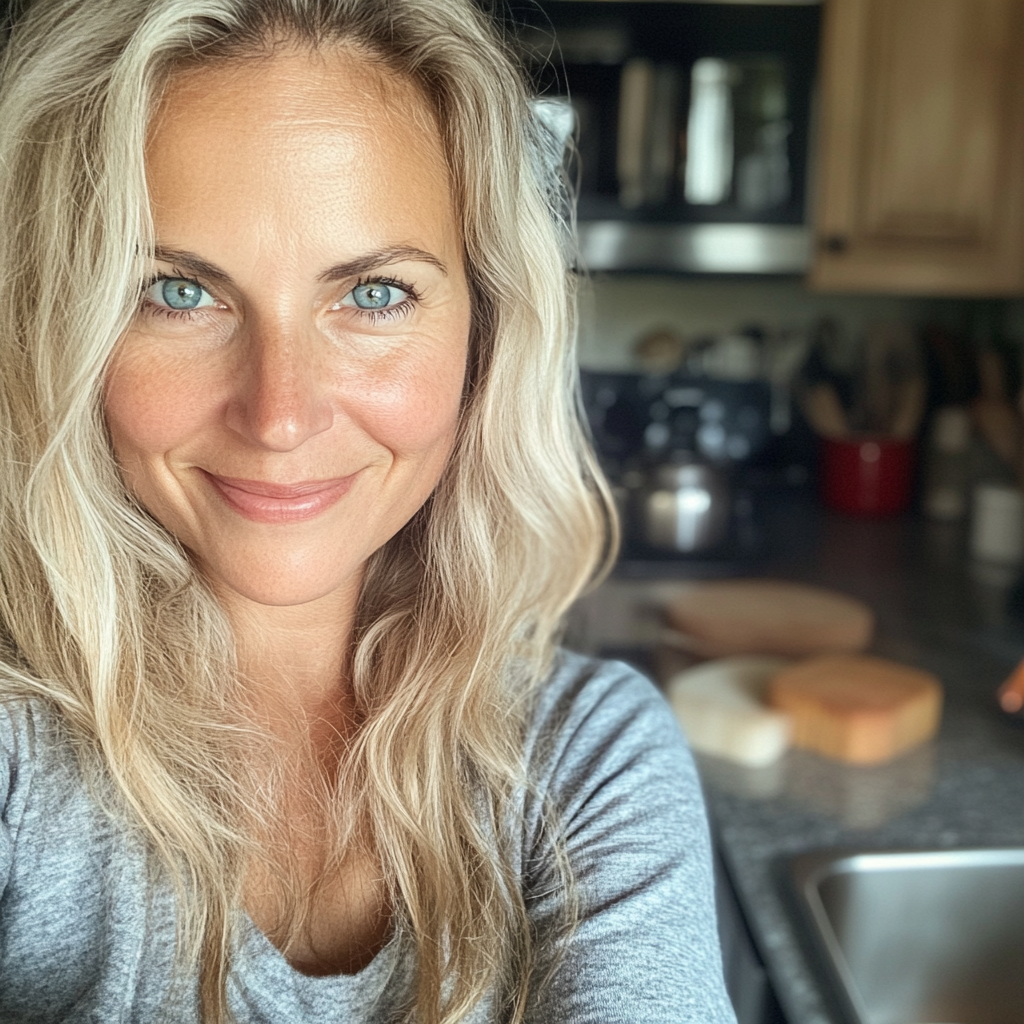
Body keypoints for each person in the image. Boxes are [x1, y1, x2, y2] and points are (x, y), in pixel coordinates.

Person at [0, 1, 737, 1021]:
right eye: (176, 291)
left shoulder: (587, 761)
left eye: (376, 294)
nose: (281, 414)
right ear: (61, 321)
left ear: (485, 330)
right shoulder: (18, 752)